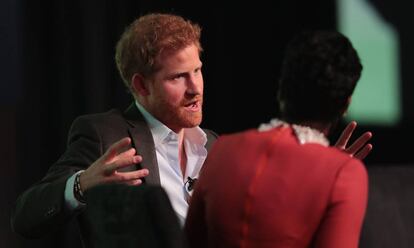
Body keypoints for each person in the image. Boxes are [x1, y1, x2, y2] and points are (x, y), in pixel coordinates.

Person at [12, 13, 370, 246]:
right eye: (178, 77)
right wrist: (81, 184)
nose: (195, 87)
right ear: (140, 85)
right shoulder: (104, 134)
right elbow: (25, 217)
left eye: (197, 70)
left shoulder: (217, 147)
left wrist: (316, 178)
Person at [185, 30, 371, 248]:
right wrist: (333, 175)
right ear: (346, 104)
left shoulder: (223, 148)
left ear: (281, 89)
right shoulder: (344, 173)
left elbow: (191, 240)